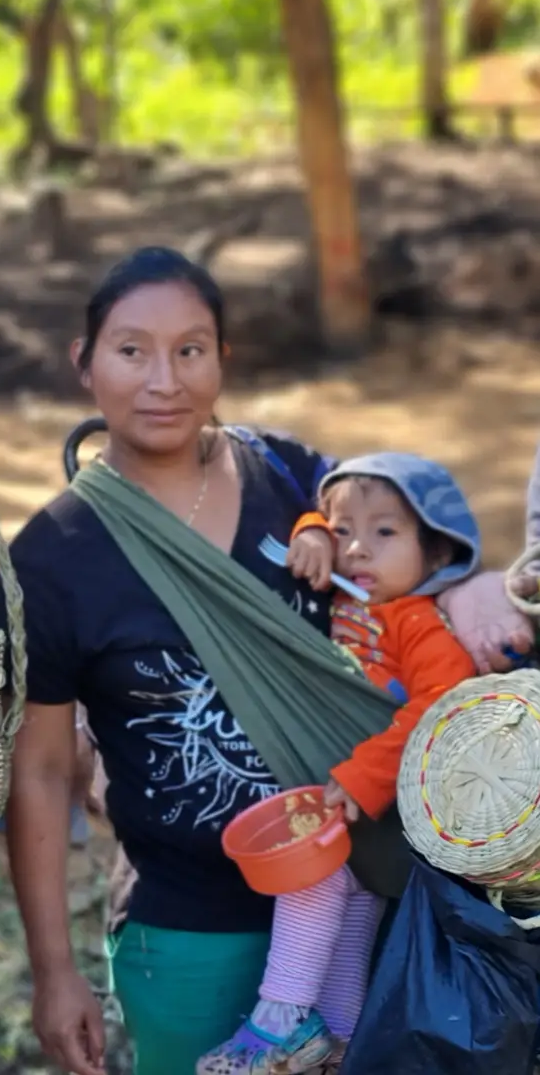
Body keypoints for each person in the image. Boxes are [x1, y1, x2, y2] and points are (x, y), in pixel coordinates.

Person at [0, 247, 508, 1075]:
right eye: (132, 351)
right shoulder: (51, 561)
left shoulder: (295, 481)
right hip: (191, 930)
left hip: (369, 901)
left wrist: (474, 586)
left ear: (222, 360)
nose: (165, 379)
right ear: (84, 364)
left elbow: (404, 559)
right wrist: (54, 974)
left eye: (191, 350)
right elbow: (44, 773)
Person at [196, 454, 482, 1074]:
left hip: (377, 807)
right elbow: (319, 521)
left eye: (385, 533)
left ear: (434, 555)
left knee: (313, 875)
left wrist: (364, 775)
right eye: (346, 530)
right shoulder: (352, 595)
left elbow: (442, 703)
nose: (358, 549)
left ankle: (279, 1020)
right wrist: (311, 533)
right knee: (350, 918)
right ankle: (340, 1047)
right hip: (356, 811)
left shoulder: (418, 622)